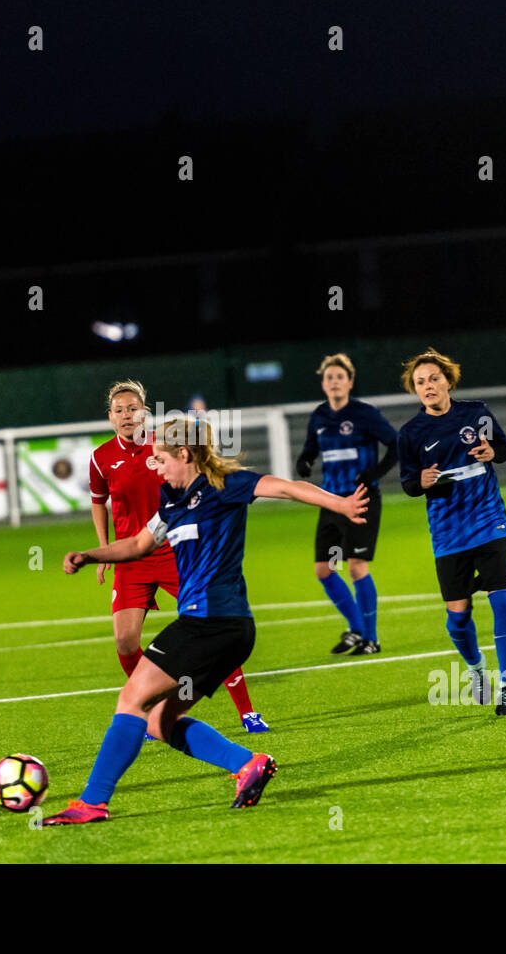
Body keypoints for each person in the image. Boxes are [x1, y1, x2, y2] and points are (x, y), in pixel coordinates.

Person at [44, 417, 368, 825]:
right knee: (161, 721)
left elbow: (285, 487)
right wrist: (92, 554)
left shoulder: (224, 485)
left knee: (131, 699)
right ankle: (248, 764)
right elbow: (140, 545)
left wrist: (339, 504)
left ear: (184, 453)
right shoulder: (171, 501)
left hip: (210, 623)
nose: (155, 466)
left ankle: (92, 803)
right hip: (225, 631)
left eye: (160, 458)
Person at [89, 381, 267, 733]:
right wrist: (104, 551)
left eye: (133, 408)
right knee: (125, 640)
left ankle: (247, 712)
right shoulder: (100, 458)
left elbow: (199, 472)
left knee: (210, 626)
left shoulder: (165, 445)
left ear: (145, 411)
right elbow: (98, 502)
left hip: (173, 549)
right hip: (132, 555)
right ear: (110, 417)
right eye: (119, 410)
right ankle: (150, 705)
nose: (127, 415)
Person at [397, 348, 506, 714]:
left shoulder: (476, 412)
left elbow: (504, 448)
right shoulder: (410, 434)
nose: (428, 386)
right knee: (458, 615)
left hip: (489, 521)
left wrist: (491, 452)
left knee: (503, 602)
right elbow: (409, 484)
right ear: (415, 391)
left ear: (448, 381)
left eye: (434, 378)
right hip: (448, 533)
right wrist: (419, 481)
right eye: (420, 382)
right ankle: (477, 670)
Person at [295, 353, 398, 655]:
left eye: (340, 377)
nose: (335, 382)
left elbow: (395, 445)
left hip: (361, 500)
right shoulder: (319, 416)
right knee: (323, 569)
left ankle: (372, 638)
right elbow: (310, 449)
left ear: (350, 382)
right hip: (330, 500)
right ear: (324, 383)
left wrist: (375, 473)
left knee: (356, 566)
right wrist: (304, 461)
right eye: (329, 377)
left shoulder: (365, 414)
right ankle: (356, 628)